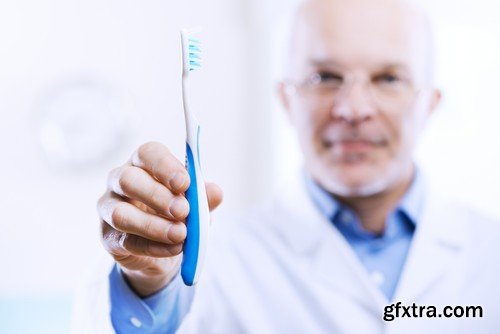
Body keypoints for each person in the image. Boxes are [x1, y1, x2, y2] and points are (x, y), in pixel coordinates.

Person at [72, 0, 500, 333]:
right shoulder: (215, 258)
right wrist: (145, 282)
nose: (353, 109)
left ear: (430, 104)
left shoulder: (489, 254)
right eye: (324, 77)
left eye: (388, 78)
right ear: (285, 100)